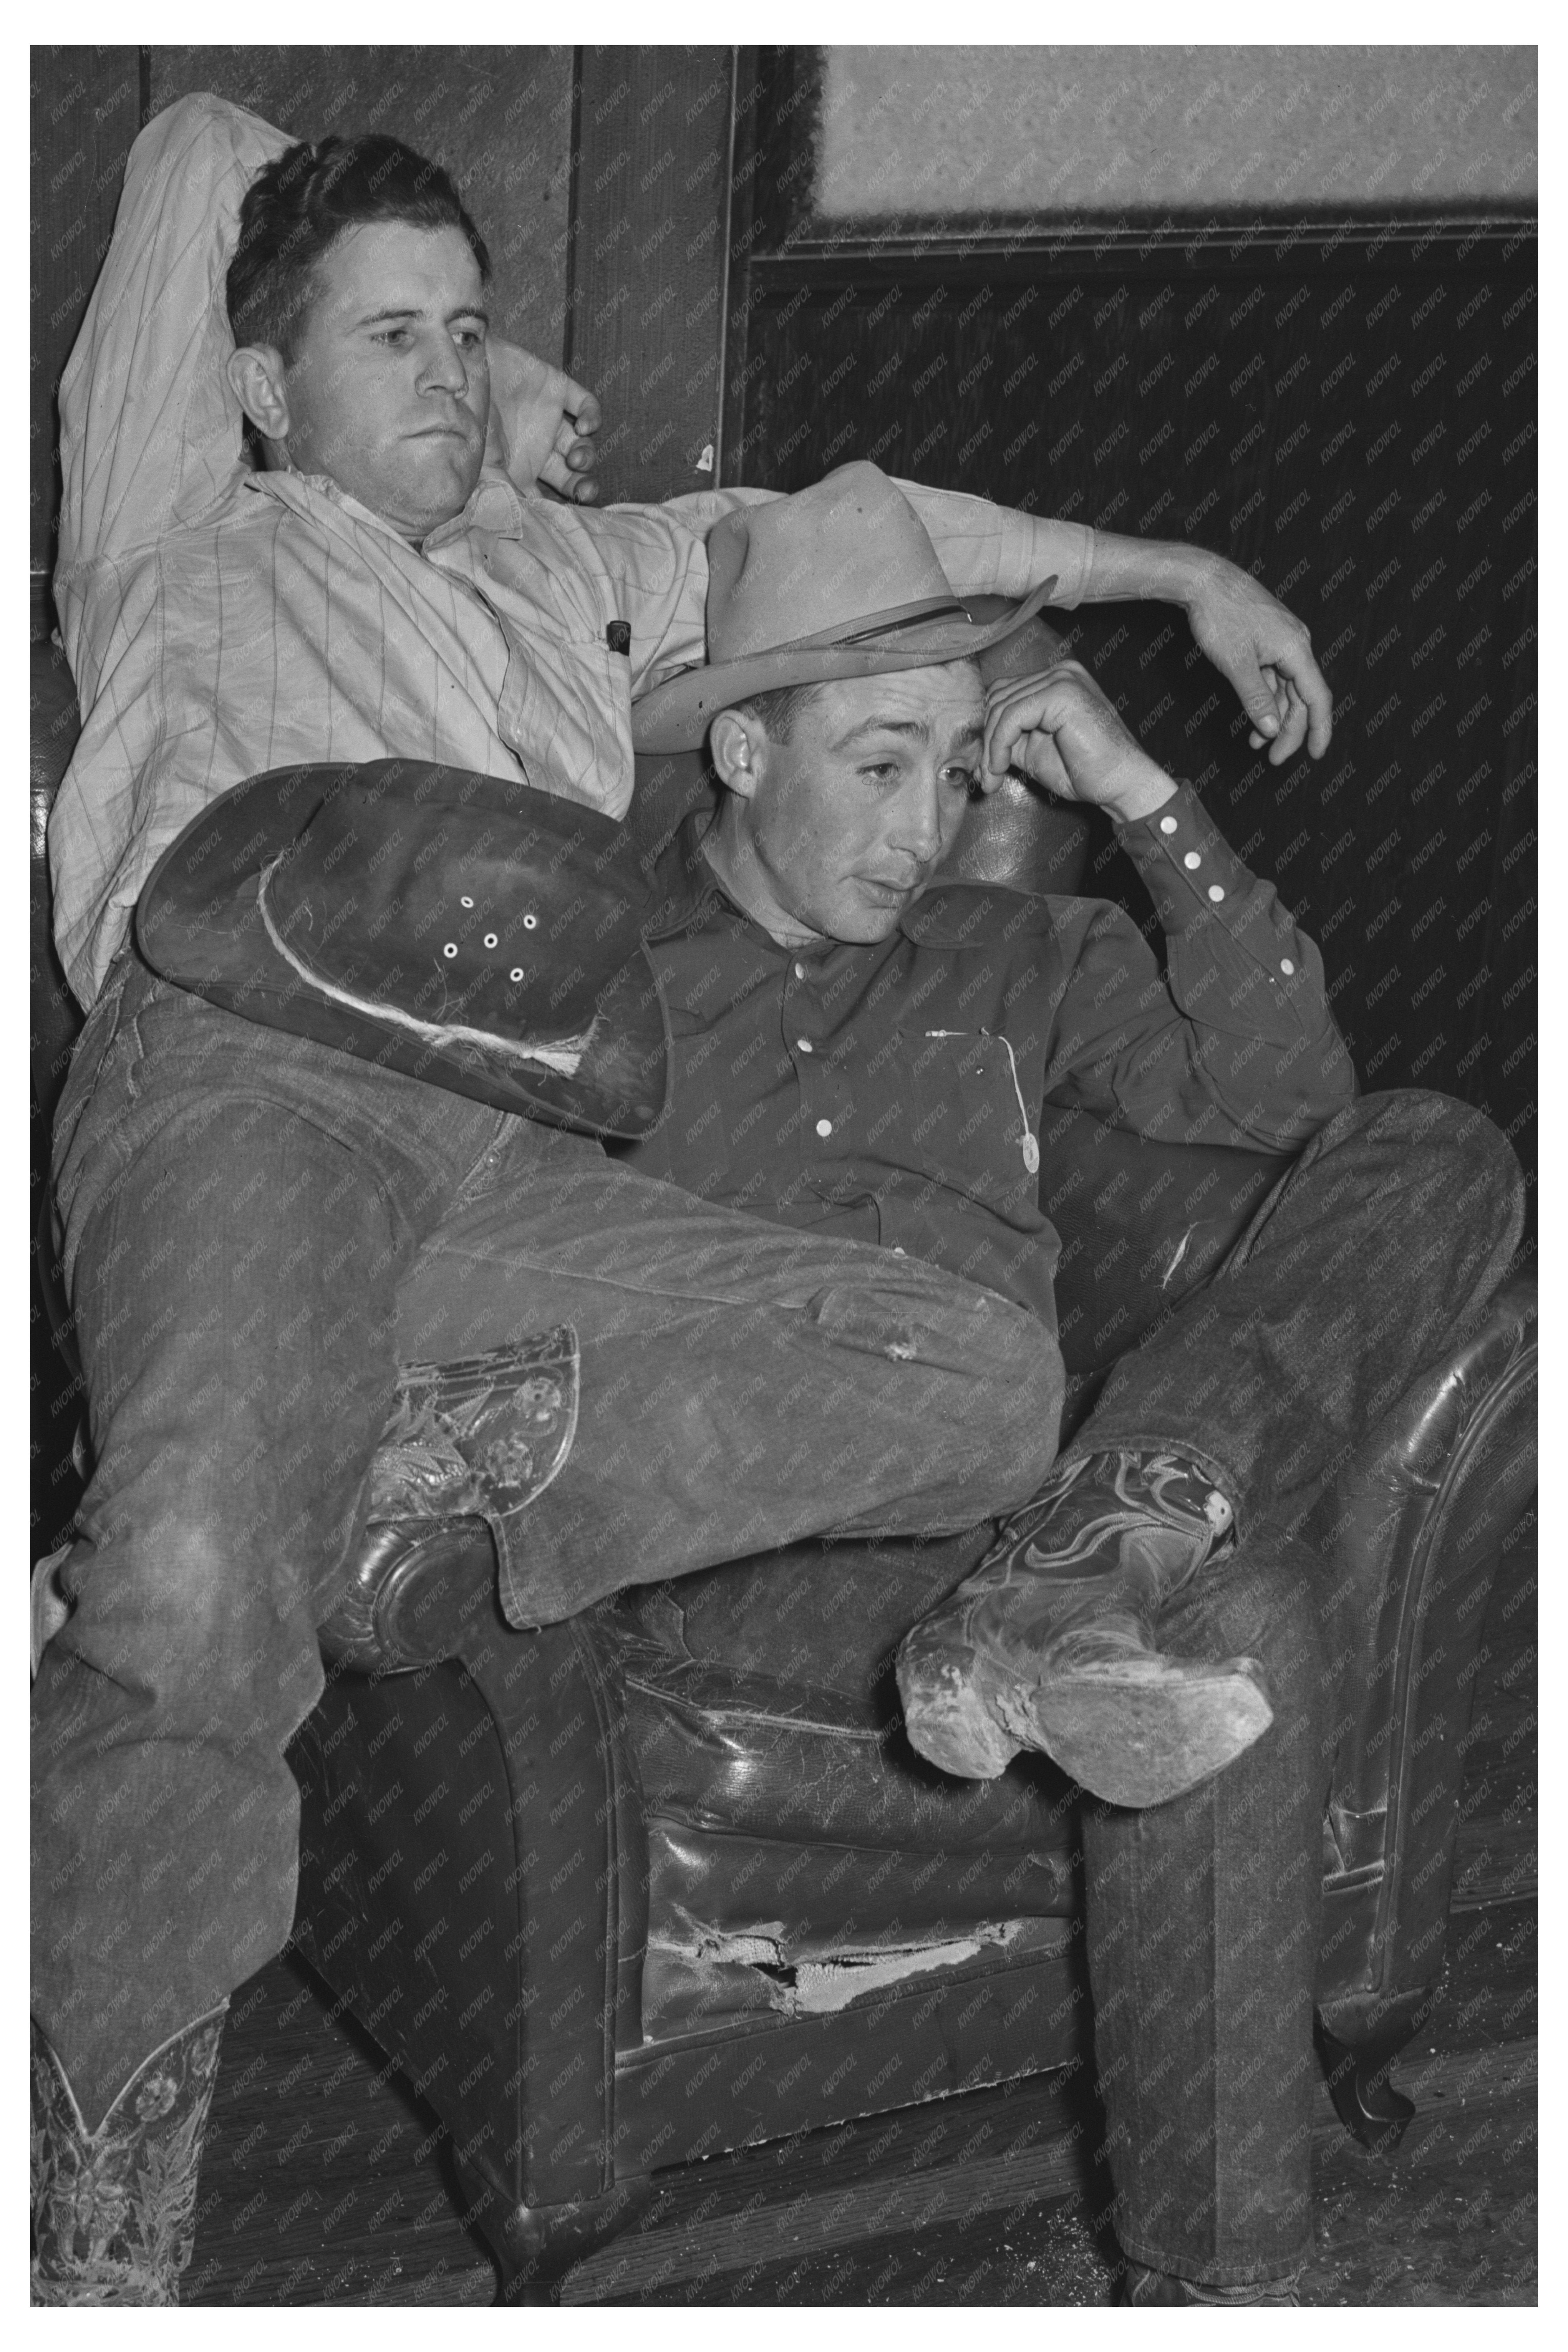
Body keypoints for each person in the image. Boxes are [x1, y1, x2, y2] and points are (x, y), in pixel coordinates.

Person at [33, 87, 1339, 2307]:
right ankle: (90, 2235)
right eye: (395, 338)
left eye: (473, 333)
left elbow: (887, 526)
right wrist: (500, 358)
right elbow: (188, 152)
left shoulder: (574, 573)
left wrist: (1171, 571)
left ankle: (408, 1470)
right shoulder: (188, 517)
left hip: (518, 1147)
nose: (452, 377)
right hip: (258, 1067)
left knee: (980, 1371)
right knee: (185, 1577)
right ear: (260, 384)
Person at [613, 466, 1527, 2302]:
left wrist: (1143, 798)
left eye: (955, 770)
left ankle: (1098, 1544)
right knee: (1241, 1610)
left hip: (1042, 1504)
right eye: (875, 764)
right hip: (788, 1546)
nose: (923, 823)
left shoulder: (1016, 949)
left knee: (1437, 1146)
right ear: (734, 754)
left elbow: (1289, 1097)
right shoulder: (602, 981)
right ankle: (1218, 2284)